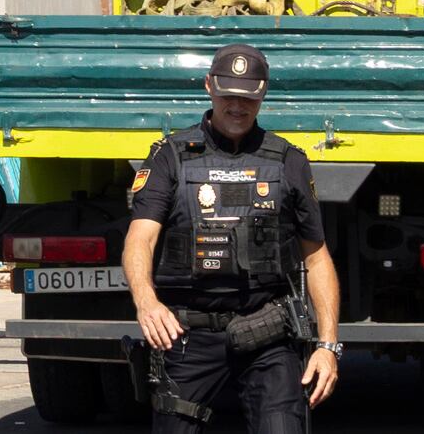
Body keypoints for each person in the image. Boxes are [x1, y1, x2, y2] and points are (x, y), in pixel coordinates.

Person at [123, 43, 342, 432]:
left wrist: (327, 347)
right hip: (187, 335)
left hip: (267, 334)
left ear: (262, 95)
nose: (237, 106)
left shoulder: (287, 160)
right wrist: (146, 303)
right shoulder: (170, 156)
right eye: (228, 95)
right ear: (209, 86)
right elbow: (140, 239)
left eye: (248, 97)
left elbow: (317, 256)